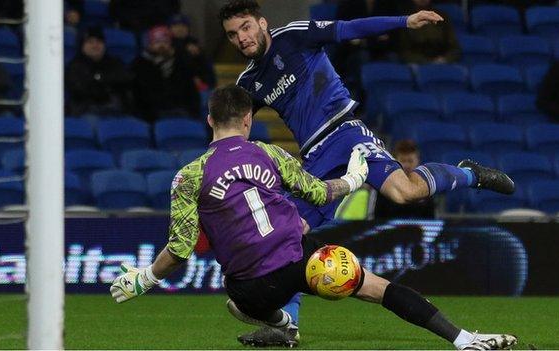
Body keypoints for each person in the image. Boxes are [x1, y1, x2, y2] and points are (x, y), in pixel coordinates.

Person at [110, 85, 518, 351]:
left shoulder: (189, 176)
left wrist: (144, 278)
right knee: (376, 287)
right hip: (300, 260)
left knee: (237, 303)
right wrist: (356, 177)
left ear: (210, 120)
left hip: (250, 288)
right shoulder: (271, 154)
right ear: (249, 120)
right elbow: (320, 192)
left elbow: (180, 249)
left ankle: (282, 325)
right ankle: (464, 339)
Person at [219, 0, 515, 345]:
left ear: (262, 23)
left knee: (405, 192)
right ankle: (287, 329)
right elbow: (233, 127)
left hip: (347, 132)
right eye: (232, 34)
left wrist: (406, 20)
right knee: (290, 238)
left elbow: (350, 29)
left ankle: (467, 173)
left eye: (246, 27)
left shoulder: (295, 37)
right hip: (316, 157)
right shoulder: (249, 82)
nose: (241, 38)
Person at [131, 25, 201, 122]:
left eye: (165, 42)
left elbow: (191, 91)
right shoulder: (140, 64)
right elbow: (139, 96)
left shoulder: (180, 62)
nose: (161, 45)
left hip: (182, 111)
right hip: (152, 115)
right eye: (157, 42)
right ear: (149, 44)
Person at [65, 26, 133, 116]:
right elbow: (81, 90)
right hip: (86, 111)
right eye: (90, 42)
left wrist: (99, 78)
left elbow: (125, 79)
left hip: (116, 109)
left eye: (99, 41)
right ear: (82, 45)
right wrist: (105, 82)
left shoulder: (115, 62)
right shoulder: (74, 66)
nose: (95, 45)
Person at [374, 140, 435, 219]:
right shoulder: (386, 184)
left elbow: (431, 220)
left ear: (418, 161)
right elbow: (378, 218)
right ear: (395, 161)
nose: (407, 165)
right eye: (403, 161)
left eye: (410, 161)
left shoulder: (426, 186)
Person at [396, 0, 460, 64]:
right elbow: (404, 50)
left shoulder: (442, 17)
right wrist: (426, 62)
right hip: (417, 63)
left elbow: (454, 48)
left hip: (442, 62)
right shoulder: (406, 19)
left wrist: (444, 59)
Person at [168, 14, 218, 91]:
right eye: (176, 26)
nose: (180, 29)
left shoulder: (195, 45)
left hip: (199, 89)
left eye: (183, 26)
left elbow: (206, 69)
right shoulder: (167, 45)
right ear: (170, 29)